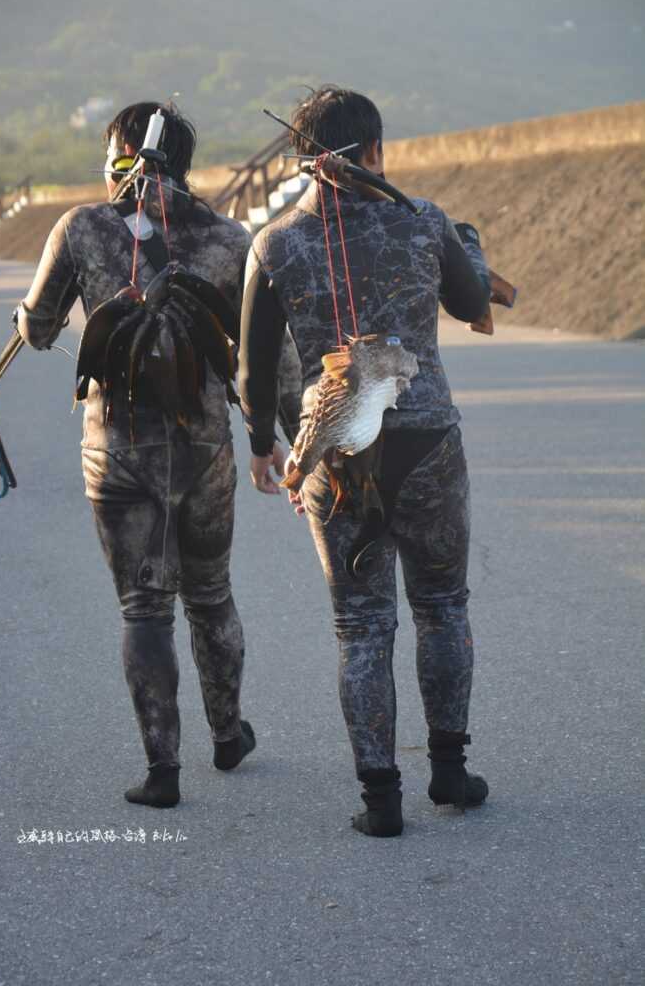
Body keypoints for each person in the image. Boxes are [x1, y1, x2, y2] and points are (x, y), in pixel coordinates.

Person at [239, 85, 492, 836]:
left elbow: (255, 369)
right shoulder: (423, 222)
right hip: (427, 445)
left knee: (361, 627)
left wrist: (263, 448)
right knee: (442, 608)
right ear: (375, 151)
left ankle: (380, 803)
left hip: (337, 456)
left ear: (300, 162)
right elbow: (471, 297)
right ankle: (449, 771)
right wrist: (469, 245)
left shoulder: (275, 242)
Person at [14, 101, 275, 807]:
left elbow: (39, 330)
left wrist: (26, 318)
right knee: (211, 594)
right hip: (204, 450)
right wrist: (270, 439)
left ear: (123, 154)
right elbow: (259, 357)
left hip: (117, 453)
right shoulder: (229, 238)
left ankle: (163, 773)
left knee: (143, 609)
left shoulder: (83, 228)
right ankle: (228, 734)